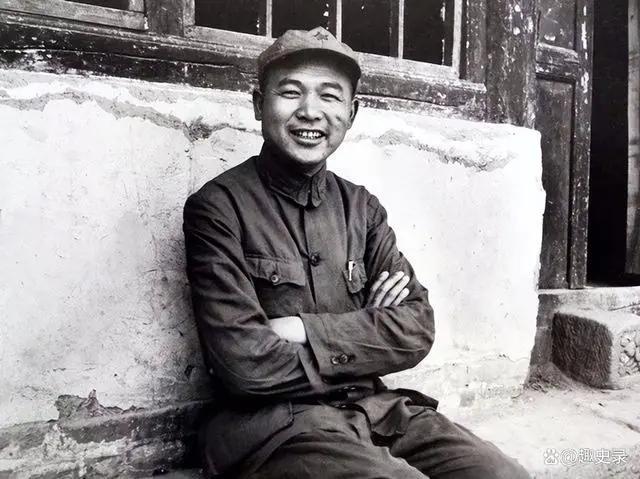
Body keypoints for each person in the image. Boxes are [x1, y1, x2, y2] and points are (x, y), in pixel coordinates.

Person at [183, 26, 530, 479]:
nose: (310, 111)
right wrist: (367, 331)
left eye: (330, 96)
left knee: (501, 474)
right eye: (290, 93)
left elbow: (415, 328)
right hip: (275, 428)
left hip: (376, 411)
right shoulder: (218, 208)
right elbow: (244, 363)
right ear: (257, 104)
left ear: (352, 112)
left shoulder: (362, 209)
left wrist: (300, 329)